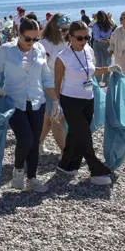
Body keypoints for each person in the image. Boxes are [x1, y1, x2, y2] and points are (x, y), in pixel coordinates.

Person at [0, 18, 58, 192]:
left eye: (36, 39)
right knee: (25, 139)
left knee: (34, 141)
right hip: (14, 102)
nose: (32, 43)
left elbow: (47, 77)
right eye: (28, 39)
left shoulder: (40, 49)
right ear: (19, 34)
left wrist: (55, 100)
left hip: (37, 101)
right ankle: (18, 170)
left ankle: (32, 179)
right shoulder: (6, 50)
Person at [54, 21, 115, 185]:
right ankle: (96, 170)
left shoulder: (88, 50)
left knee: (76, 134)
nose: (83, 42)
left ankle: (66, 165)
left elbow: (91, 71)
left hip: (88, 99)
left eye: (86, 37)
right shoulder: (62, 57)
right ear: (70, 37)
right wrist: (56, 104)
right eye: (79, 38)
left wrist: (109, 69)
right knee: (84, 136)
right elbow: (57, 83)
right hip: (70, 101)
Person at [39, 13, 70, 153]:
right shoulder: (44, 44)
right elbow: (41, 68)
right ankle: (65, 152)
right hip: (50, 85)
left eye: (67, 29)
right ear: (53, 27)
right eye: (63, 30)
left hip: (66, 84)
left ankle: (38, 144)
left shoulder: (67, 41)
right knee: (57, 118)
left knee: (48, 119)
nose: (66, 32)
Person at [91, 11, 113, 86]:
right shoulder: (95, 25)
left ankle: (107, 80)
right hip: (98, 44)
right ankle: (97, 80)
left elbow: (111, 34)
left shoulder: (109, 24)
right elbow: (96, 37)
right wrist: (106, 39)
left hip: (107, 44)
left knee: (107, 62)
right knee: (99, 62)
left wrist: (109, 40)